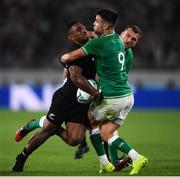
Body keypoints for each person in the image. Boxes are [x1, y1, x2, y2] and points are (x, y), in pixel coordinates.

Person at [60, 8, 148, 175]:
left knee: (90, 122)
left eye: (97, 21)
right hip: (128, 97)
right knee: (108, 131)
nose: (93, 23)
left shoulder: (99, 43)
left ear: (107, 26)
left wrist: (62, 60)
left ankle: (128, 159)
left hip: (113, 97)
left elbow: (69, 57)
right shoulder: (117, 41)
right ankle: (111, 163)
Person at [12, 21, 99, 172]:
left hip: (80, 103)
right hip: (65, 100)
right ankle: (22, 157)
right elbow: (76, 77)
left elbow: (95, 34)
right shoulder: (74, 52)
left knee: (74, 140)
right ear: (71, 37)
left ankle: (50, 127)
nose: (84, 31)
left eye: (84, 28)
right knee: (45, 132)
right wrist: (95, 93)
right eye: (79, 30)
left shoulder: (90, 43)